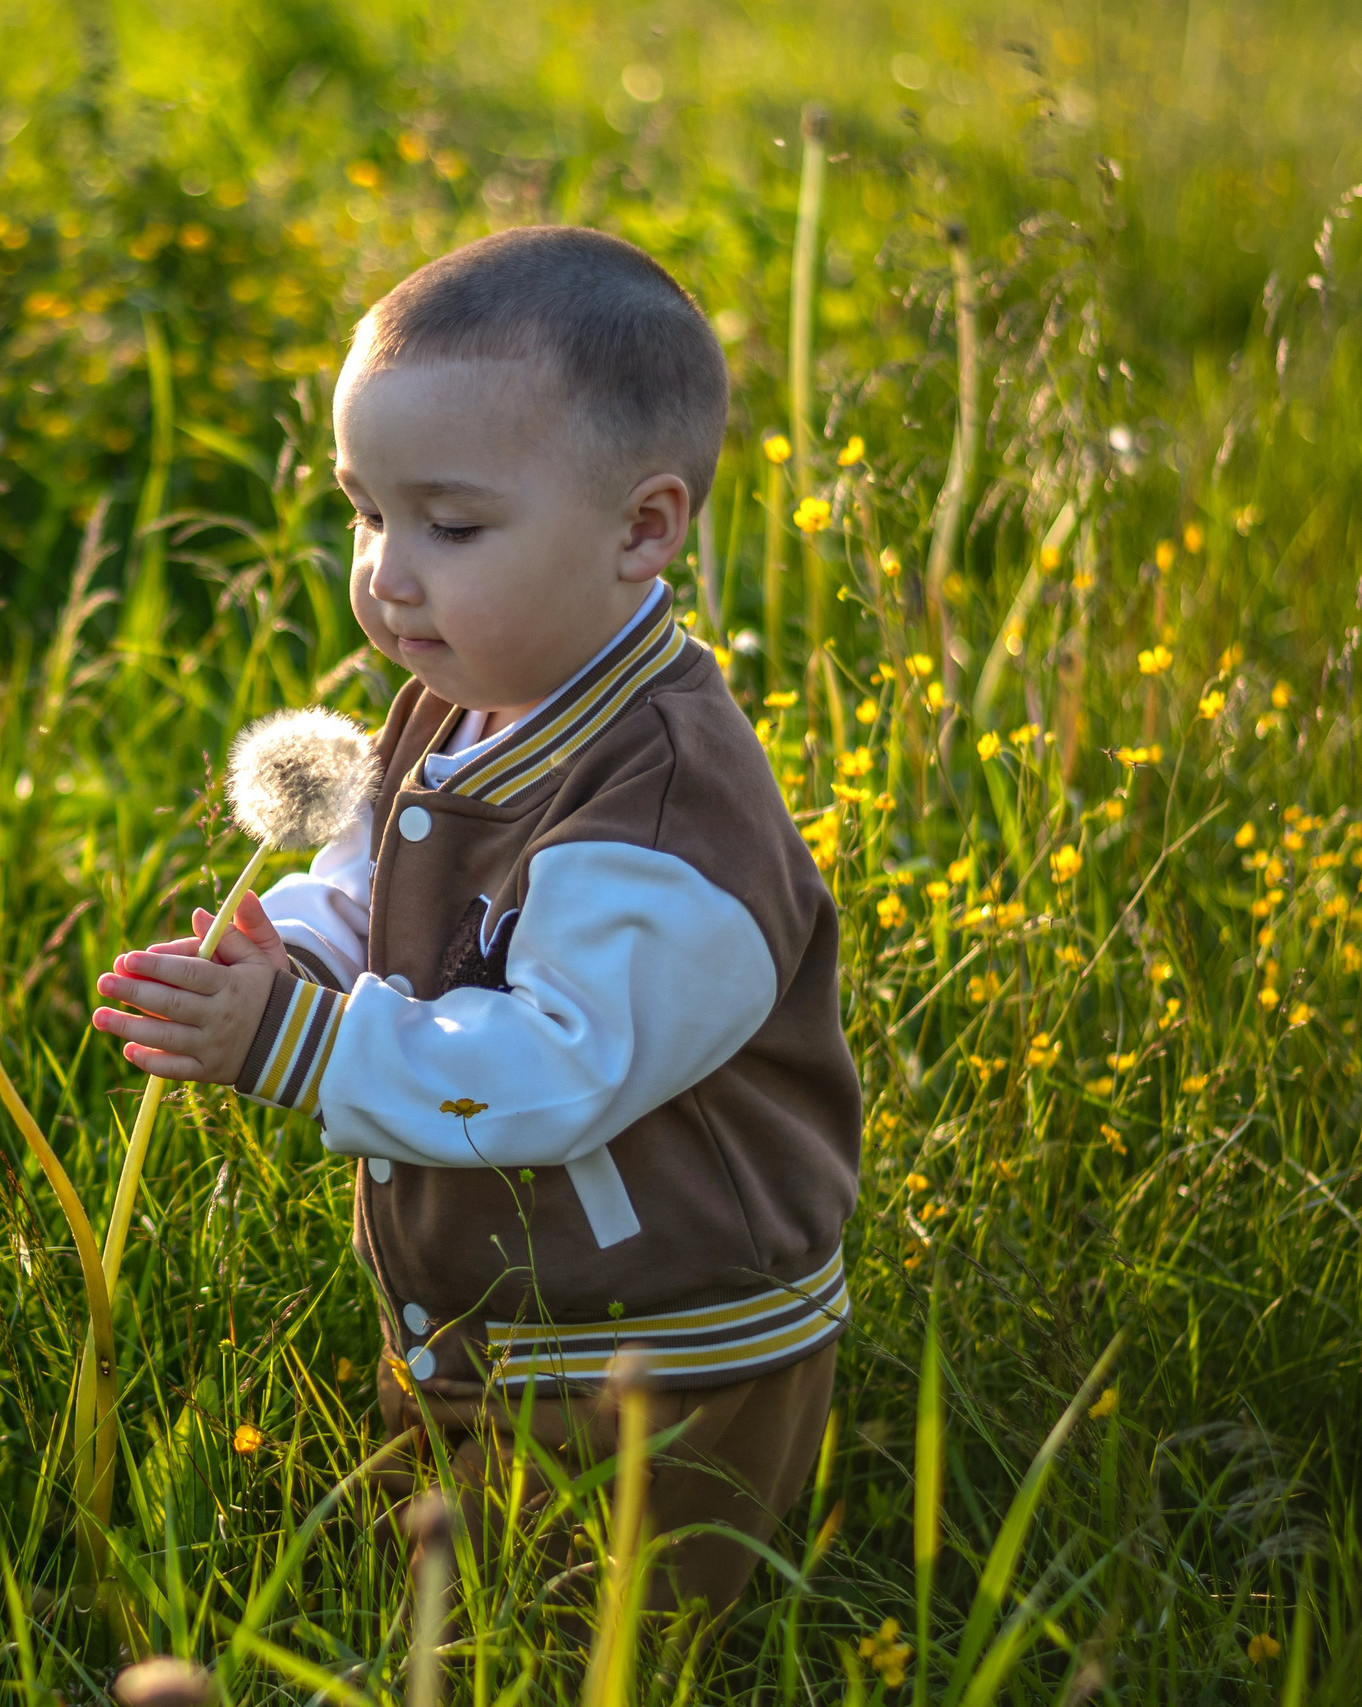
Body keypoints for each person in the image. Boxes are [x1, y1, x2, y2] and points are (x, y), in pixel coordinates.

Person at [91, 226, 860, 1615]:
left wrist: (301, 1047)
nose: (386, 572)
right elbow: (370, 884)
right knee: (438, 1619)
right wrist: (297, 960)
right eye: (363, 512)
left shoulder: (668, 812)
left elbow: (558, 1069)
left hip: (661, 1352)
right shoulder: (465, 698)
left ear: (643, 528)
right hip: (492, 1313)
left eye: (448, 527)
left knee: (596, 1648)